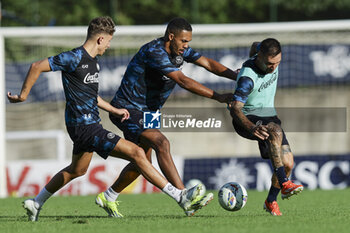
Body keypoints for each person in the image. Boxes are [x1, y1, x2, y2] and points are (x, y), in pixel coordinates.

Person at [7, 16, 204, 221]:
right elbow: (36, 66)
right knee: (138, 154)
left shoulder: (94, 62)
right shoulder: (74, 57)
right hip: (85, 126)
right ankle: (180, 197)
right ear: (100, 39)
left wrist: (114, 109)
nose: (109, 46)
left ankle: (36, 202)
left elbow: (91, 95)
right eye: (109, 41)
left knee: (77, 170)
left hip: (90, 124)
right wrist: (22, 96)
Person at [96, 17, 239, 217]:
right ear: (171, 37)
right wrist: (219, 97)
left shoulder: (180, 51)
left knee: (143, 163)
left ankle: (109, 196)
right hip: (127, 108)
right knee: (161, 143)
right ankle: (184, 196)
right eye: (183, 41)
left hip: (151, 112)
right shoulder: (154, 51)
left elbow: (206, 63)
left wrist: (236, 76)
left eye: (188, 41)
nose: (186, 46)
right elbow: (183, 80)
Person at [228, 38, 303, 216]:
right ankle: (285, 184)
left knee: (288, 163)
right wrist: (251, 127)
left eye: (277, 62)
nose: (273, 67)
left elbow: (254, 43)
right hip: (247, 118)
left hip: (270, 115)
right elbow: (235, 109)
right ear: (260, 56)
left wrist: (254, 52)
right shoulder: (247, 79)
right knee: (275, 131)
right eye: (270, 63)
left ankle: (270, 201)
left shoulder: (260, 51)